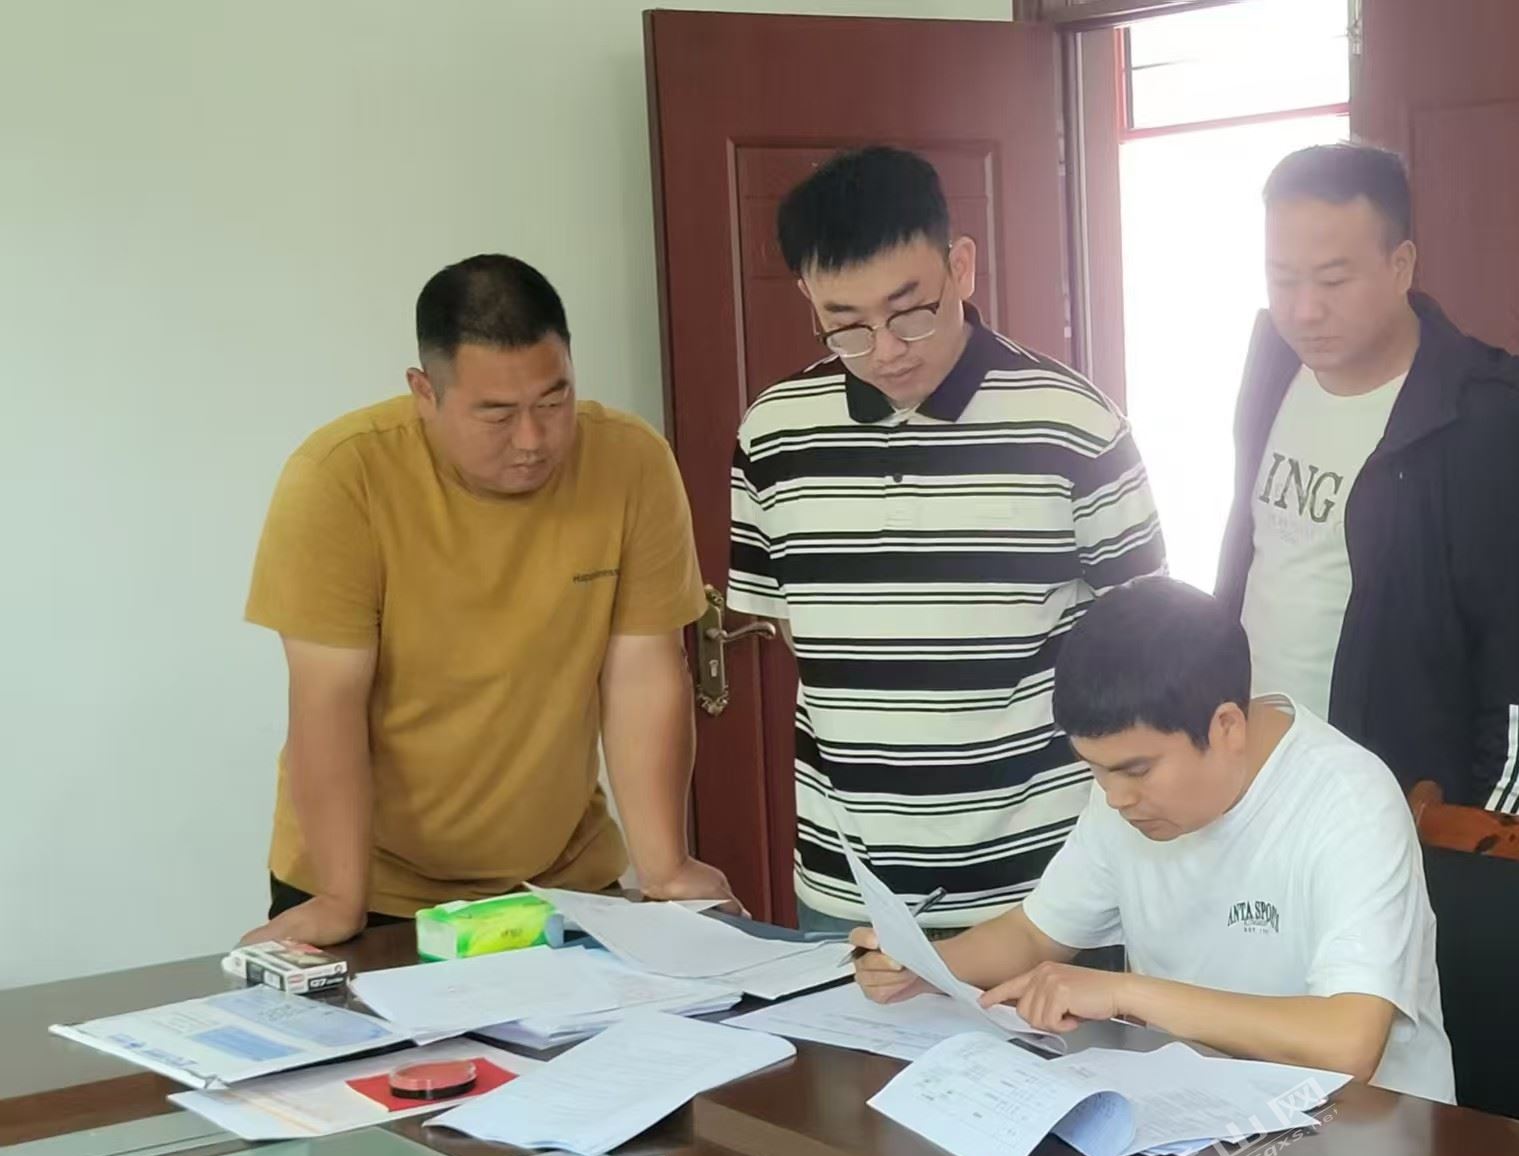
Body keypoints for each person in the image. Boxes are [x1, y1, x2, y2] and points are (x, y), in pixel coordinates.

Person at [729, 147, 1168, 934]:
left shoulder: (1073, 425)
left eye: (910, 311)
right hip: (847, 892)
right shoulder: (773, 435)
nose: (885, 349)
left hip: (1050, 890)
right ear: (808, 301)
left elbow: (1140, 646)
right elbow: (800, 634)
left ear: (960, 266)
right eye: (846, 324)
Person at [241, 255, 733, 945]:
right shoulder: (342, 477)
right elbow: (328, 701)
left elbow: (644, 673)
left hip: (561, 880)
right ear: (424, 391)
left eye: (553, 402)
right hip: (375, 884)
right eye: (496, 414)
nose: (532, 440)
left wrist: (666, 866)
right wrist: (339, 898)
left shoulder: (631, 463)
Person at [848, 577, 1455, 1102]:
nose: (1115, 797)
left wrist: (1123, 993)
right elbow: (1036, 933)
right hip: (1196, 1114)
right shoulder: (1124, 794)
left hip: (1367, 1135)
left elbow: (1348, 1044)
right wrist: (923, 966)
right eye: (1095, 770)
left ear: (1226, 726)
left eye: (1136, 771)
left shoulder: (1347, 801)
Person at [1214, 143, 1519, 816]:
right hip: (1249, 784)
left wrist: (1485, 846)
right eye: (1282, 279)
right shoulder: (1273, 367)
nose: (1304, 310)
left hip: (1386, 809)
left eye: (1332, 280)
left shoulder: (1479, 422)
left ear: (1400, 265)